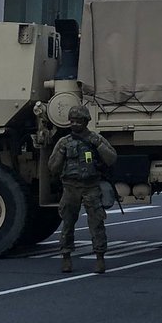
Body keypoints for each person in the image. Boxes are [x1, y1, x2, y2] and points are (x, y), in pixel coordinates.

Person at [48, 103, 117, 274]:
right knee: (68, 224)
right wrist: (61, 152)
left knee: (97, 223)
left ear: (86, 121)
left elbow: (111, 158)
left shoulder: (96, 139)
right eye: (72, 121)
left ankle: (100, 257)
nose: (75, 124)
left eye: (79, 121)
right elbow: (53, 167)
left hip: (91, 186)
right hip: (70, 187)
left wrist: (98, 145)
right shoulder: (64, 142)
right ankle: (66, 257)